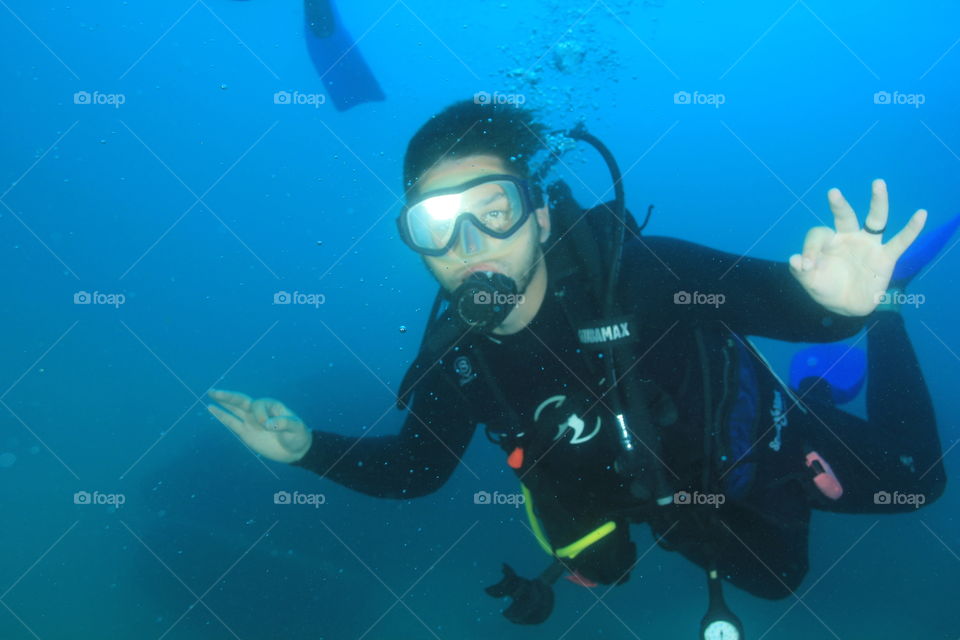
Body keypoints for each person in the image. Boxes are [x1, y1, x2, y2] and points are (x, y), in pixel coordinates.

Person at [207, 100, 945, 633]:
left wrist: (841, 307)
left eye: (492, 207)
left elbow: (777, 306)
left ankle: (887, 318)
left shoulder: (641, 275)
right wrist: (306, 450)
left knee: (919, 484)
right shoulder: (459, 362)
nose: (469, 242)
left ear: (540, 215)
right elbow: (418, 469)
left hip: (769, 443)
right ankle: (828, 373)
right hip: (673, 505)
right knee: (773, 581)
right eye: (434, 224)